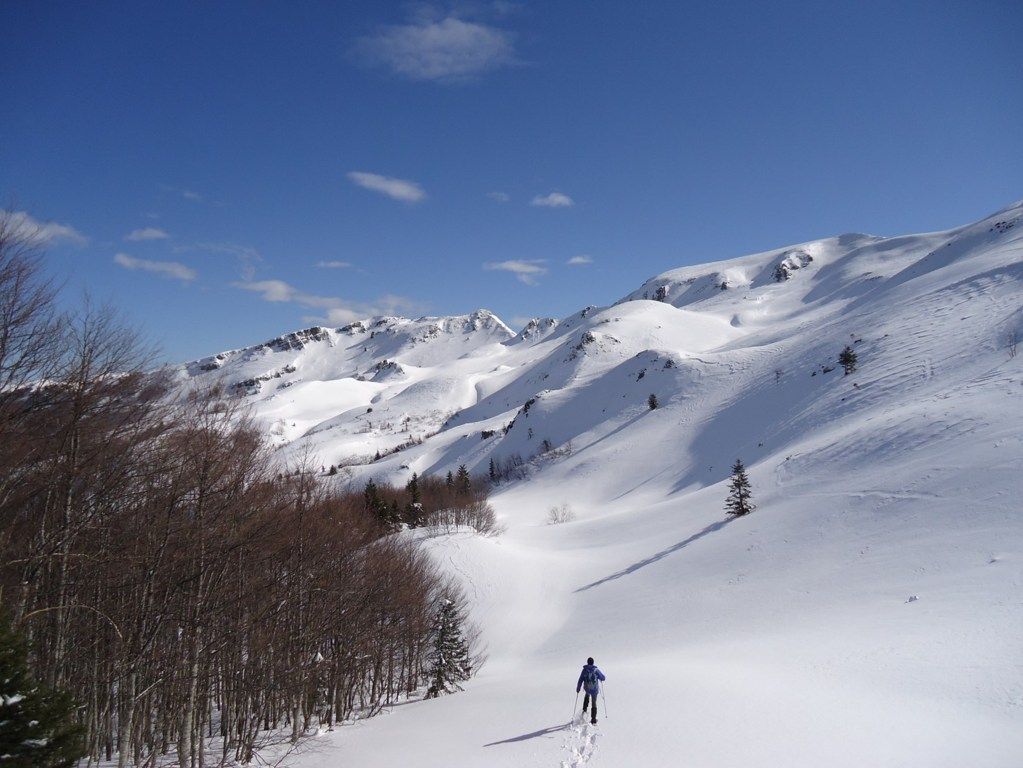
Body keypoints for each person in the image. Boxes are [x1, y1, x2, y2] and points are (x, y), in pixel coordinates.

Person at [576, 657, 606, 725]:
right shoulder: (596, 670)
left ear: (587, 662)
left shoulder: (584, 670)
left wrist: (578, 688)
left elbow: (580, 679)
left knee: (587, 695)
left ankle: (584, 709)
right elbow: (603, 678)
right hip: (594, 690)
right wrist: (600, 677)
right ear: (593, 662)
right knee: (594, 702)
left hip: (587, 688)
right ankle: (593, 719)